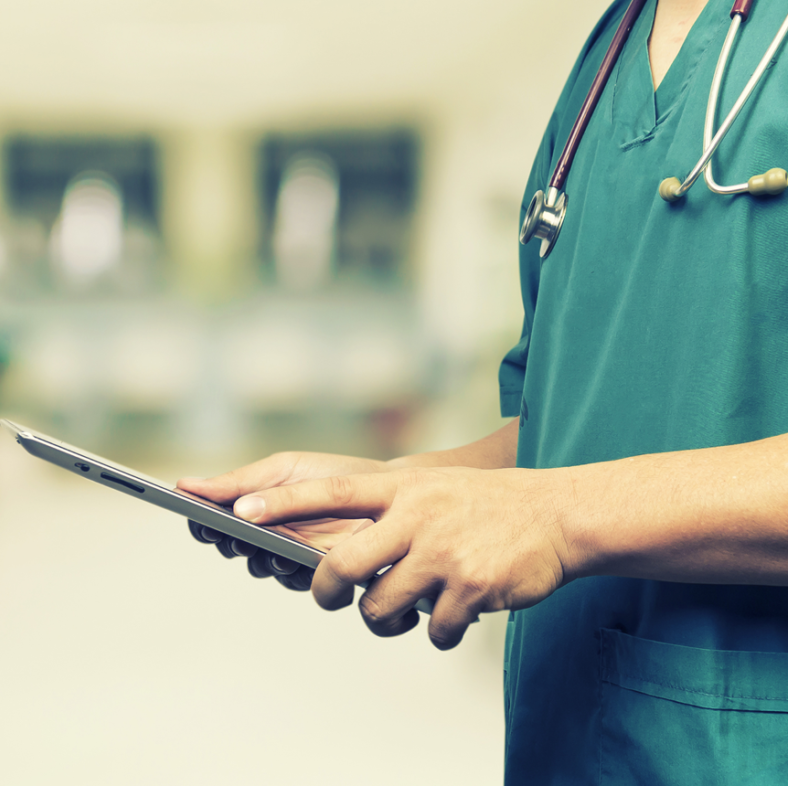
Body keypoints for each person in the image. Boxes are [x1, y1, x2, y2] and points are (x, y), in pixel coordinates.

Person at [180, 0, 788, 782]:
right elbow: (577, 418)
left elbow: (562, 500)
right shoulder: (606, 61)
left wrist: (557, 520)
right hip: (574, 742)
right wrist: (399, 491)